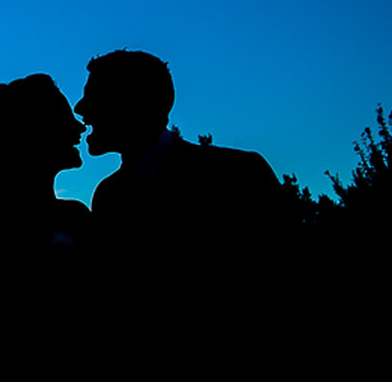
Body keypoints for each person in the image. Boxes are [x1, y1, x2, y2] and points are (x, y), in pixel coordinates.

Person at [74, 50, 289, 377]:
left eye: (93, 96)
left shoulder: (240, 175)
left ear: (131, 101)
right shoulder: (110, 196)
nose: (81, 109)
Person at [0, 74, 90, 373]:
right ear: (33, 134)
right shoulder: (66, 220)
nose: (79, 127)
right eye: (64, 119)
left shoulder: (5, 222)